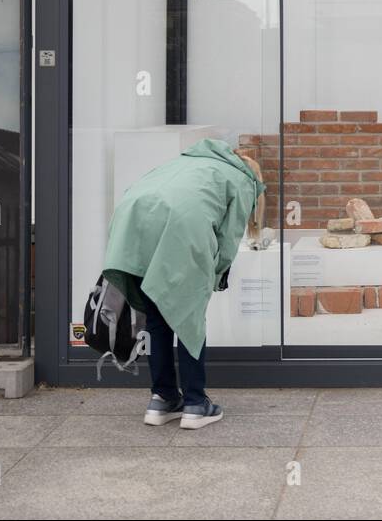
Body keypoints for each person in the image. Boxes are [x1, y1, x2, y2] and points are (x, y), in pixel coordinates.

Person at [102, 139, 265, 430]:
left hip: (132, 218)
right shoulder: (241, 178)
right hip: (180, 227)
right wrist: (216, 276)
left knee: (156, 317)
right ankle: (195, 403)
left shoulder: (187, 161)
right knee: (190, 317)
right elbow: (228, 241)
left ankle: (162, 399)